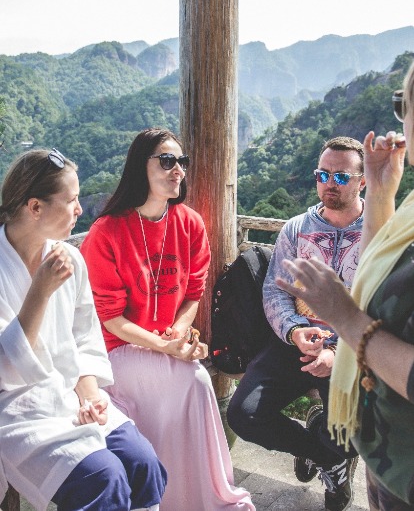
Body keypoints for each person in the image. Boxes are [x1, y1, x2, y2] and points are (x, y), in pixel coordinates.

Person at [80, 128, 255, 511]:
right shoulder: (106, 233)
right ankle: (171, 495)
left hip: (165, 344)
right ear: (139, 167)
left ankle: (194, 495)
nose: (178, 169)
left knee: (193, 379)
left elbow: (194, 292)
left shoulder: (189, 223)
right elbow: (111, 320)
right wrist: (166, 346)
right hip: (119, 350)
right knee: (193, 380)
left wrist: (179, 331)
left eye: (181, 161)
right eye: (166, 160)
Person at [0, 148, 167, 511]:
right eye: (71, 200)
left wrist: (90, 397)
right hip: (18, 410)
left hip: (72, 396)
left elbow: (85, 338)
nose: (79, 209)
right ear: (35, 207)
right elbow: (6, 368)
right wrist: (39, 292)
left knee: (143, 464)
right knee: (103, 478)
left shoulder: (69, 258)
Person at [276, 74, 414, 510]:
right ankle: (327, 454)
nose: (402, 120)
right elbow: (379, 275)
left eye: (404, 104)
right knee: (247, 409)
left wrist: (344, 321)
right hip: (387, 450)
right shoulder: (407, 208)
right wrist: (382, 191)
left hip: (406, 466)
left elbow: (363, 308)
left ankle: (328, 454)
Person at [227, 136, 366, 511]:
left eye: (341, 177)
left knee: (355, 429)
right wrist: (293, 330)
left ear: (363, 181)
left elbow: (381, 308)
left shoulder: (378, 233)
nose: (329, 183)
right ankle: (326, 458)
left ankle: (333, 445)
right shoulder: (296, 229)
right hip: (297, 340)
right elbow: (275, 290)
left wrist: (337, 351)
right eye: (323, 174)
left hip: (353, 350)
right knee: (244, 414)